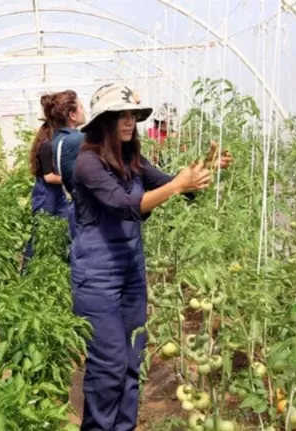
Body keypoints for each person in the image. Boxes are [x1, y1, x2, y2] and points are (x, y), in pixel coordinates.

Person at [69, 83, 231, 431]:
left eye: (133, 115)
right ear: (104, 121)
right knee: (109, 365)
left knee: (133, 359)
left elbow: (173, 186)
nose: (129, 121)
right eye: (121, 115)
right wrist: (177, 185)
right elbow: (124, 205)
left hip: (131, 271)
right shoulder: (87, 163)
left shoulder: (134, 161)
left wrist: (203, 171)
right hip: (97, 277)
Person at [21, 91, 85, 270]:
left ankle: (56, 267)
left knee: (62, 229)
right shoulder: (48, 143)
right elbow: (49, 177)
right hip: (45, 193)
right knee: (40, 232)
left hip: (55, 193)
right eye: (81, 106)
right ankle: (28, 271)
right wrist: (71, 178)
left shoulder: (57, 139)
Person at [49, 92, 87, 239]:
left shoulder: (59, 138)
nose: (84, 110)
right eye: (81, 107)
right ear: (72, 115)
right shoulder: (76, 140)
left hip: (76, 207)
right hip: (86, 211)